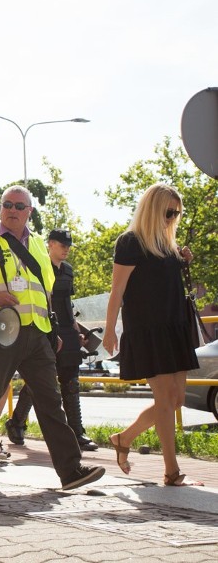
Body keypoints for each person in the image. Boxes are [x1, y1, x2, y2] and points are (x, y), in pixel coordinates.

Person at [0, 185, 104, 490]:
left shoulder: (38, 244)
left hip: (38, 335)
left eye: (19, 206)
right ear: (1, 208)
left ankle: (70, 470)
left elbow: (45, 292)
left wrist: (53, 329)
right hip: (1, 332)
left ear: (29, 212)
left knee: (51, 401)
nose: (12, 210)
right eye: (7, 204)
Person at [103, 184, 202, 487]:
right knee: (164, 398)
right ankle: (171, 472)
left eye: (177, 213)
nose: (173, 217)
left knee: (176, 400)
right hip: (148, 330)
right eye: (168, 212)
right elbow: (117, 290)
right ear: (153, 209)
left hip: (175, 328)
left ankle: (124, 438)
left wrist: (183, 260)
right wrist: (109, 329)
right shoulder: (130, 242)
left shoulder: (168, 245)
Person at [7, 229, 99, 452]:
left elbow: (67, 304)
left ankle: (77, 432)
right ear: (50, 244)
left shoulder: (67, 270)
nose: (66, 248)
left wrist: (77, 332)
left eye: (68, 245)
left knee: (71, 382)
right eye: (61, 244)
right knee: (40, 380)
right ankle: (17, 421)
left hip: (67, 330)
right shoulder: (39, 266)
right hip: (45, 328)